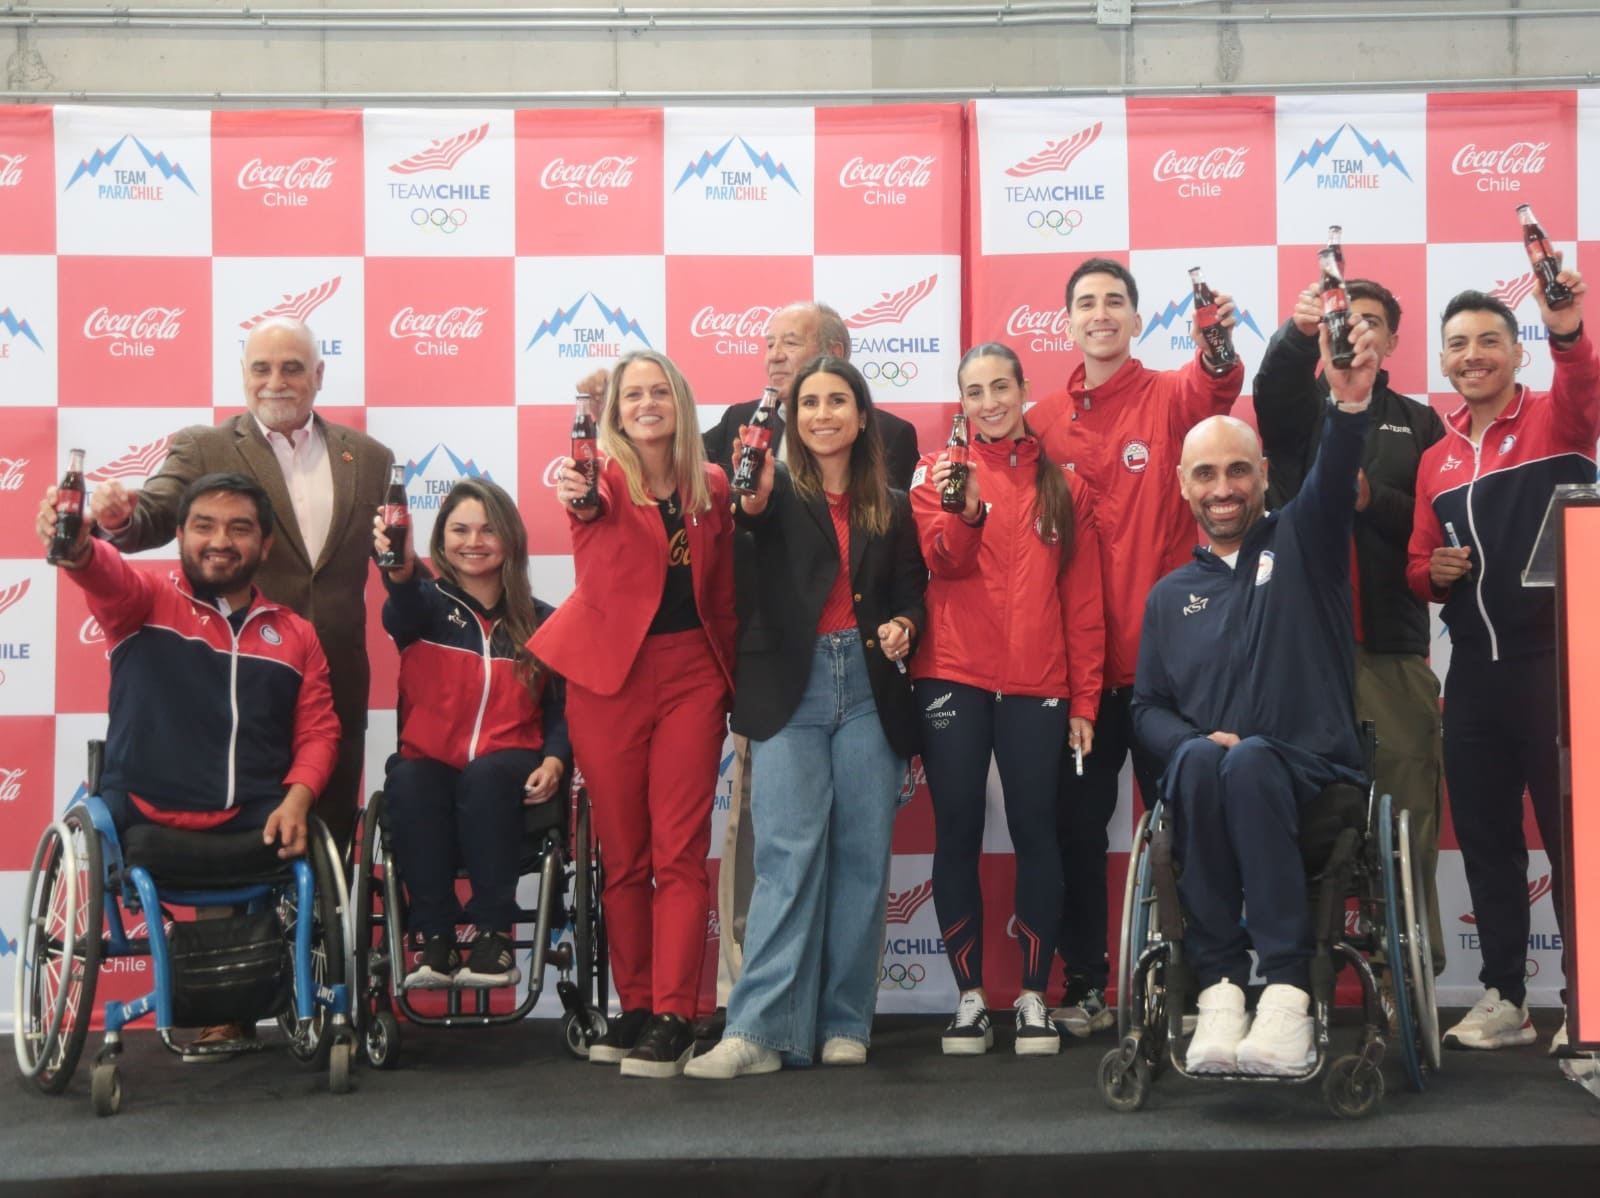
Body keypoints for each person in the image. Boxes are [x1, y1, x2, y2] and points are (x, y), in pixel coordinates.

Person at [1132, 320, 1381, 1076]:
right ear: (1182, 486)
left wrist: (1348, 408)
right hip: (1216, 786)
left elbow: (1335, 479)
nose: (1223, 488)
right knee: (1209, 765)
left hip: (1313, 778)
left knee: (1246, 765)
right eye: (1205, 474)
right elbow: (1146, 707)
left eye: (1237, 471)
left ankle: (1283, 993)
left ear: (1264, 474)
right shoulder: (1170, 596)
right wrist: (1192, 743)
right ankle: (1217, 990)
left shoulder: (1302, 542)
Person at [36, 471, 341, 1056]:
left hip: (254, 817)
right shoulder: (143, 600)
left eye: (239, 528)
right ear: (179, 534)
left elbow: (319, 731)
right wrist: (76, 545)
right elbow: (100, 569)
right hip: (146, 811)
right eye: (203, 525)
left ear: (265, 545)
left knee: (309, 851)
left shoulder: (294, 633)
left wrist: (300, 797)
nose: (219, 540)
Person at [684, 356, 926, 1079]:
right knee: (787, 861)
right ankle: (757, 1030)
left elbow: (913, 589)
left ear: (861, 416)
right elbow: (747, 515)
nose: (822, 413)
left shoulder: (893, 503)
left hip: (871, 689)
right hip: (790, 687)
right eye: (809, 402)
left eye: (837, 401)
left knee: (861, 860)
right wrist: (751, 487)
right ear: (793, 417)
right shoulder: (770, 489)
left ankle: (843, 1022)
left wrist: (904, 626)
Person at [1027, 257, 1243, 1033]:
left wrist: (1214, 344)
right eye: (1086, 302)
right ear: (1069, 320)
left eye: (1115, 300)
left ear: (1135, 316)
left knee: (1186, 822)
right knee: (1076, 829)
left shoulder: (1171, 396)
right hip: (1077, 670)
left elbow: (1214, 386)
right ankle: (1086, 983)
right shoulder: (1041, 420)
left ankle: (1196, 984)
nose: (1101, 313)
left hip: (1172, 666)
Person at [89, 317, 394, 853]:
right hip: (231, 684)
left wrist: (408, 568)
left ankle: (325, 938)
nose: (276, 380)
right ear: (244, 376)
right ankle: (233, 938)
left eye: (292, 368)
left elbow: (389, 557)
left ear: (318, 375)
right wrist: (117, 519)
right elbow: (154, 517)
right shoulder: (205, 447)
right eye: (262, 368)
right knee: (223, 841)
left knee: (329, 845)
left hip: (337, 682)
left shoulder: (369, 458)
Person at [1407, 276, 1597, 1054]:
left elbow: (1584, 380)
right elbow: (1417, 565)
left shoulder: (1557, 417)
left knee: (1572, 839)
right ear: (1444, 360)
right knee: (1485, 838)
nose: (1474, 355)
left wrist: (1568, 328)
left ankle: (1586, 1002)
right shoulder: (1436, 459)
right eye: (1458, 344)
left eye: (1490, 341)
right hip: (1476, 675)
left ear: (1517, 351)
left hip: (1557, 668)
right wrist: (1433, 575)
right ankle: (1506, 997)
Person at [534, 350, 736, 1079]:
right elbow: (582, 500)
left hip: (691, 674)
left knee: (679, 851)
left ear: (679, 403)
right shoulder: (598, 477)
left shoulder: (711, 484)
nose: (646, 403)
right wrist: (575, 486)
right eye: (633, 394)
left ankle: (678, 1012)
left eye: (659, 392)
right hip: (607, 678)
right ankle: (638, 1004)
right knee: (624, 858)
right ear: (614, 409)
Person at [910, 344, 1104, 1056]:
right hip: (952, 675)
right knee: (956, 829)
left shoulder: (1066, 487)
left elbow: (1083, 606)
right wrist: (964, 511)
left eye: (1000, 387)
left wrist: (1084, 699)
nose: (989, 401)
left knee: (1037, 832)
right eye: (974, 391)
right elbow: (941, 560)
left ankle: (1031, 998)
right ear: (959, 401)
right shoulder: (937, 475)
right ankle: (967, 1001)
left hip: (1038, 685)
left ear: (1024, 390)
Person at [1254, 278, 1448, 971]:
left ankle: (1411, 973)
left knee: (1407, 821)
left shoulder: (1422, 423)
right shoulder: (1299, 410)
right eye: (1345, 319)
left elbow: (1436, 525)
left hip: (1391, 650)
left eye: (1372, 322)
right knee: (1306, 818)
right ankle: (1293, 975)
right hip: (1307, 653)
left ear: (1392, 340)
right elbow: (1270, 389)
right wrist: (1295, 336)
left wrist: (1372, 500)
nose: (1357, 330)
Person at [372, 478, 570, 990]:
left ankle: (492, 936)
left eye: (487, 529)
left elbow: (561, 711)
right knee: (412, 780)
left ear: (510, 539)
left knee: (484, 776)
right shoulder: (424, 608)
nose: (473, 540)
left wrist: (555, 759)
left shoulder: (542, 623)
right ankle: (433, 939)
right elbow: (401, 604)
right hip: (431, 766)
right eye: (460, 529)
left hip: (510, 768)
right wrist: (399, 569)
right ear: (441, 538)